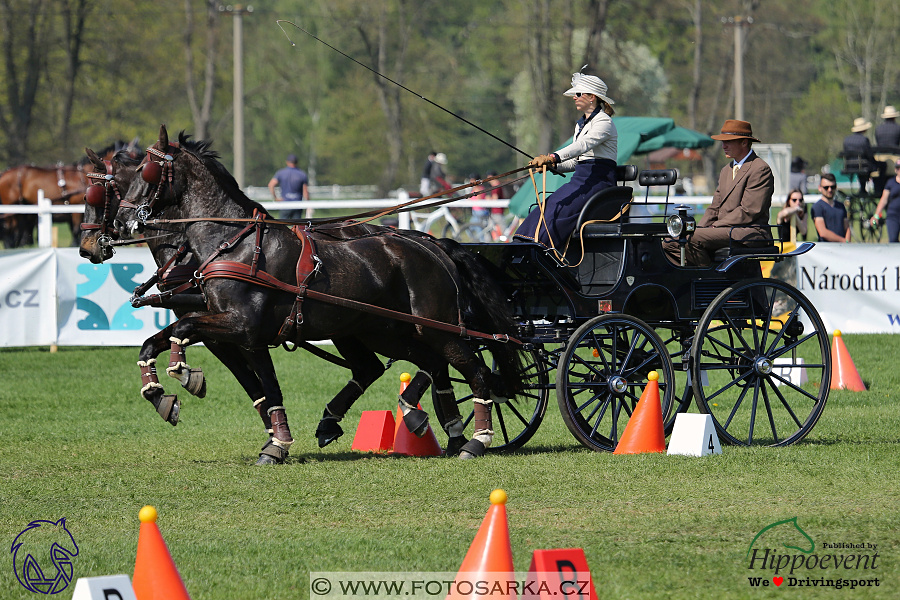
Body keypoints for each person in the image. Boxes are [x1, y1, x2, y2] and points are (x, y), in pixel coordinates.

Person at [515, 67, 618, 247]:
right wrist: (552, 166)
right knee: (547, 206)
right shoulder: (581, 124)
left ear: (592, 97)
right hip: (581, 180)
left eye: (578, 94)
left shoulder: (604, 122)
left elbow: (582, 146)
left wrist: (553, 157)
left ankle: (542, 249)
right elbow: (576, 162)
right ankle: (522, 244)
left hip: (599, 183)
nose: (574, 97)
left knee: (559, 207)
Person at [662, 119, 774, 266]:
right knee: (668, 242)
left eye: (728, 141)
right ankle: (692, 274)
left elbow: (748, 211)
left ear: (744, 142)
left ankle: (706, 279)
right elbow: (714, 208)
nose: (723, 146)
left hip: (749, 232)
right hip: (725, 229)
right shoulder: (726, 170)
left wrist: (715, 226)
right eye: (722, 141)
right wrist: (700, 228)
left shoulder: (759, 169)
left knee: (692, 238)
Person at [843, 117, 879, 195]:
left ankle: (862, 189)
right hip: (863, 165)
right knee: (878, 165)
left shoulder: (847, 140)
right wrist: (875, 163)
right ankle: (878, 189)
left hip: (849, 166)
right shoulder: (864, 140)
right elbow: (869, 155)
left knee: (861, 166)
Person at [809, 173, 850, 242]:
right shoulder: (817, 207)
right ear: (820, 188)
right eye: (826, 187)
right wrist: (844, 241)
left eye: (832, 187)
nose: (829, 190)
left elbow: (847, 228)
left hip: (843, 249)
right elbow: (823, 232)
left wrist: (847, 241)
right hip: (826, 248)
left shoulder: (841, 206)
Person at [268, 153, 309, 220]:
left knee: (283, 227)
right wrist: (308, 205)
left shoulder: (281, 173)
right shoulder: (302, 174)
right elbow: (305, 192)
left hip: (285, 203)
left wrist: (275, 198)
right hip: (297, 204)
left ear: (287, 162)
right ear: (297, 162)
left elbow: (271, 185)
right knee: (297, 227)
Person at [872, 158, 900, 242]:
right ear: (895, 170)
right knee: (893, 240)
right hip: (893, 216)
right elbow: (884, 199)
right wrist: (876, 215)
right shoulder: (890, 183)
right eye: (898, 168)